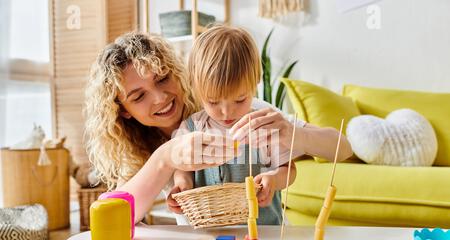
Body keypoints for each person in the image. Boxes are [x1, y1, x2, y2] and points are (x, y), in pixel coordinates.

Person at [84, 31, 353, 225]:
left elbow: (342, 148)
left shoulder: (252, 113)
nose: (160, 98)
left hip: (261, 234)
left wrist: (297, 136)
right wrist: (165, 159)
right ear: (123, 112)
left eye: (163, 78)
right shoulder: (149, 142)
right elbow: (116, 213)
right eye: (138, 96)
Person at [167, 25, 297, 225]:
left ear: (256, 82)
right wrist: (182, 184)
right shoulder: (191, 127)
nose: (227, 112)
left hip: (264, 230)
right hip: (210, 230)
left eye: (240, 100)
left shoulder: (265, 124)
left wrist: (274, 179)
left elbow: (289, 169)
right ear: (196, 88)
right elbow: (181, 167)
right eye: (213, 101)